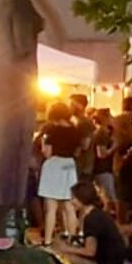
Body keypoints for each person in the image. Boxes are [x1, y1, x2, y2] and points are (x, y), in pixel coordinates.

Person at [58, 178, 127, 264]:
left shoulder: (91, 219)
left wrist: (66, 249)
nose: (71, 202)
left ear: (82, 199)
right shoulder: (98, 214)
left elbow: (90, 251)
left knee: (63, 256)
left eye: (74, 198)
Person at [38, 101, 84, 241]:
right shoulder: (75, 130)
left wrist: (42, 143)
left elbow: (47, 152)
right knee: (69, 206)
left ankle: (47, 240)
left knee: (51, 208)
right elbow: (78, 151)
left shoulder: (51, 130)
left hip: (54, 165)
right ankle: (72, 238)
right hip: (69, 165)